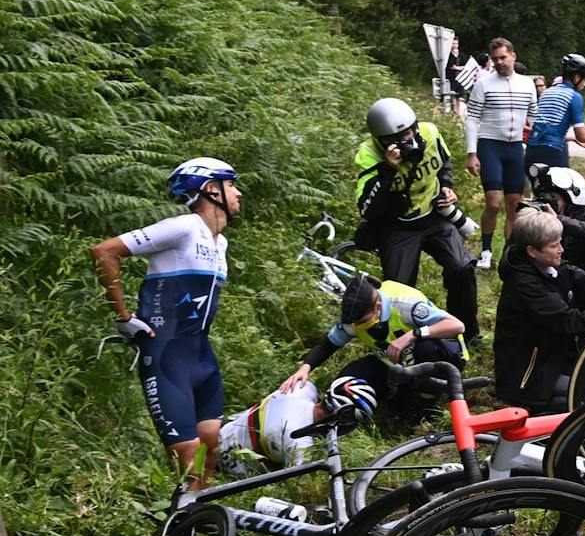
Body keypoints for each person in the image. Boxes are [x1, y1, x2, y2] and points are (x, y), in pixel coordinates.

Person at [90, 158, 242, 488]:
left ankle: (201, 524)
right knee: (188, 454)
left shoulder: (221, 242)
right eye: (231, 185)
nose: (238, 192)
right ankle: (181, 524)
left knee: (212, 446)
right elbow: (104, 251)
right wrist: (123, 317)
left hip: (201, 354)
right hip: (166, 355)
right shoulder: (183, 227)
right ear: (211, 190)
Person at [354, 98, 480, 345]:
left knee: (461, 268)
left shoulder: (430, 132)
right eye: (394, 139)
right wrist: (388, 170)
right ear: (381, 140)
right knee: (398, 289)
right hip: (398, 226)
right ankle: (406, 340)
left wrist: (447, 186)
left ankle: (465, 331)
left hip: (434, 216)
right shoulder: (369, 154)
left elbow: (443, 163)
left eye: (408, 133)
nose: (405, 141)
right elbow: (368, 209)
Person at [493, 208, 585, 412]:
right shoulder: (525, 283)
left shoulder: (549, 266)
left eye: (560, 242)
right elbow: (571, 323)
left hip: (556, 358)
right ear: (532, 251)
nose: (561, 249)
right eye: (554, 245)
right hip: (528, 374)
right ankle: (556, 430)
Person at [279, 271, 466, 422]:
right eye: (354, 322)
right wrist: (305, 368)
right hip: (392, 362)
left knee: (426, 349)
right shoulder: (353, 317)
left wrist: (413, 335)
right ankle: (349, 417)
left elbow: (456, 326)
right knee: (347, 380)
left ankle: (426, 403)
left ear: (377, 307)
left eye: (362, 321)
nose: (357, 326)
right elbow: (328, 345)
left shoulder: (405, 305)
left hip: (439, 354)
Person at [465, 37, 538, 268]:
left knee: (514, 205)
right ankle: (485, 251)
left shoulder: (527, 84)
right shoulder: (483, 84)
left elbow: (534, 117)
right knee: (494, 202)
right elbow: (472, 119)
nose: (499, 62)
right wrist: (471, 153)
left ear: (513, 57)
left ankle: (509, 253)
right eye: (495, 59)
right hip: (490, 145)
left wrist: (536, 147)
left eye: (503, 57)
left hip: (515, 146)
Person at [216, 378, 371, 479]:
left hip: (223, 428)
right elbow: (299, 486)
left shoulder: (302, 388)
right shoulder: (300, 444)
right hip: (222, 466)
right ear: (343, 418)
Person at [526, 55, 585, 171]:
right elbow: (582, 137)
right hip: (551, 153)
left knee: (539, 188)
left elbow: (546, 127)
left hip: (531, 151)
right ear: (576, 78)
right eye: (584, 79)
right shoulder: (574, 97)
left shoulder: (547, 93)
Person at [444, 38, 470, 121]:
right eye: (453, 43)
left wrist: (457, 68)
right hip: (451, 79)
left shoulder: (462, 55)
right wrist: (454, 57)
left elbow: (465, 66)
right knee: (451, 97)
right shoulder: (448, 55)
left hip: (459, 80)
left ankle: (458, 114)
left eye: (456, 43)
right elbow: (449, 65)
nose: (455, 45)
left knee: (458, 97)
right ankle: (451, 113)